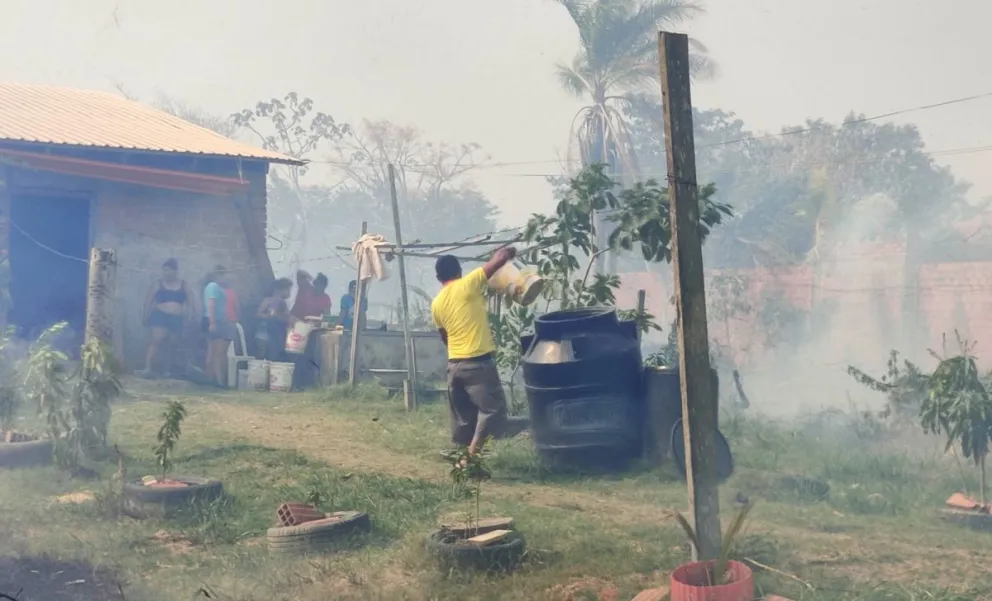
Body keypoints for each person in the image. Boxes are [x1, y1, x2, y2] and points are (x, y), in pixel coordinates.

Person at [431, 247, 516, 459]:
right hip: (477, 363)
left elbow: (445, 337)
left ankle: (462, 456)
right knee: (492, 411)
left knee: (464, 418)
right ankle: (470, 459)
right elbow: (499, 260)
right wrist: (508, 251)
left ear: (438, 277)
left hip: (454, 365)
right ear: (459, 271)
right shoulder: (467, 284)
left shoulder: (436, 303)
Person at [139, 258, 193, 377]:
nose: (165, 273)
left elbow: (190, 302)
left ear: (175, 271)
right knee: (156, 339)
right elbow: (148, 301)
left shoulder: (183, 285)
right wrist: (145, 315)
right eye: (164, 271)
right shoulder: (157, 284)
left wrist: (189, 316)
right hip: (160, 315)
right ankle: (148, 367)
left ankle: (167, 370)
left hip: (176, 317)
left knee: (172, 343)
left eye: (168, 271)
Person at [202, 265, 234, 387]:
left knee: (213, 351)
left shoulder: (216, 287)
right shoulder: (213, 286)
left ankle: (210, 378)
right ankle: (219, 381)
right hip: (215, 320)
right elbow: (211, 304)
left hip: (218, 320)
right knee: (218, 352)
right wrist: (212, 322)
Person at [256, 277, 293, 362]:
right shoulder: (269, 301)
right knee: (265, 359)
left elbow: (287, 317)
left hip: (275, 336)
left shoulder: (282, 303)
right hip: (266, 335)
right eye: (287, 289)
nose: (289, 292)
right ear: (279, 290)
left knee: (271, 359)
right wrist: (269, 316)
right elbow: (259, 314)